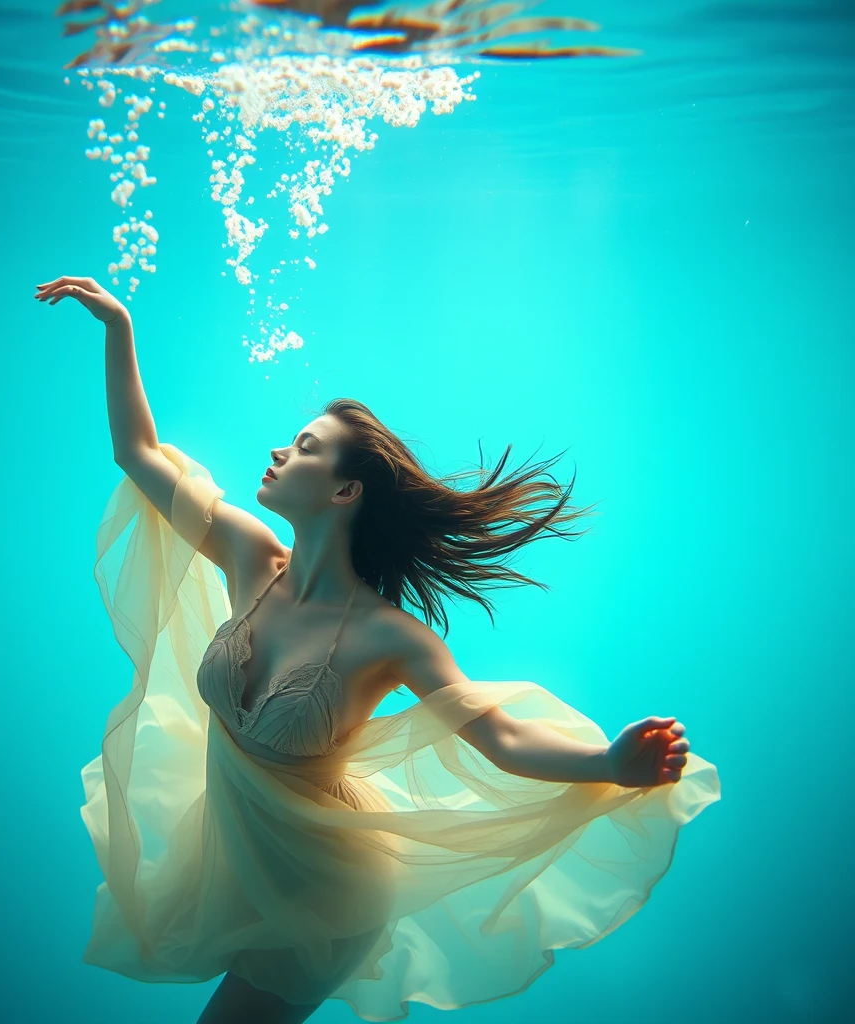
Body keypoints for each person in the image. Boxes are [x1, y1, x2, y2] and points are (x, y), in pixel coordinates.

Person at [35, 276, 720, 1024]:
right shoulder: (247, 557)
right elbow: (138, 454)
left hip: (324, 892)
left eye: (302, 448)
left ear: (343, 492)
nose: (275, 449)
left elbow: (503, 737)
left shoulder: (389, 639)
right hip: (235, 862)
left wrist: (608, 766)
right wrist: (118, 325)